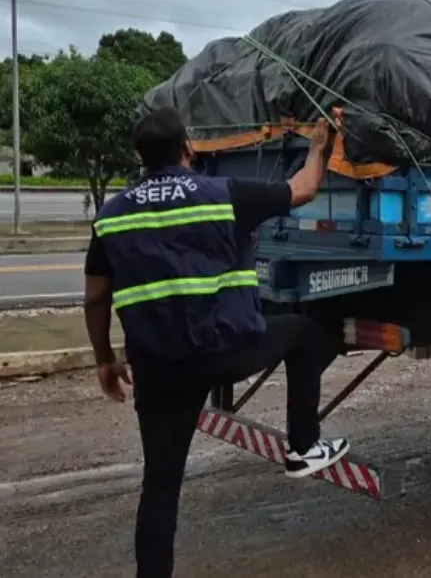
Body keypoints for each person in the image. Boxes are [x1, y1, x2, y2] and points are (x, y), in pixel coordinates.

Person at [83, 107, 350, 578]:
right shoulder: (222, 196)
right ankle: (303, 447)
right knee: (303, 332)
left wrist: (105, 360)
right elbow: (305, 188)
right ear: (188, 149)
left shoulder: (112, 216)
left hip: (157, 369)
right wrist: (317, 145)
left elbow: (96, 299)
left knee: (160, 489)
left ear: (138, 156)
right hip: (222, 354)